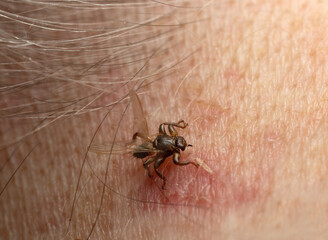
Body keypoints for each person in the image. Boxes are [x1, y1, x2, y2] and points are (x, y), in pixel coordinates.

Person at [1, 0, 327, 239]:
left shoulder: (168, 141)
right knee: (151, 169)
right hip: (145, 148)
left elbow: (165, 133)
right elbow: (156, 163)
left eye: (179, 144)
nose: (180, 147)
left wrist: (178, 135)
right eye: (179, 146)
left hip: (149, 141)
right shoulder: (163, 153)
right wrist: (162, 175)